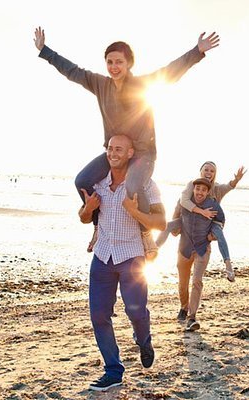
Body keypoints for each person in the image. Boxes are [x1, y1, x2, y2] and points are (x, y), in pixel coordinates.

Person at [34, 26, 219, 258]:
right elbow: (72, 71)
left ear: (128, 63)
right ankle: (97, 227)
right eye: (110, 62)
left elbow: (170, 72)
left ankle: (145, 233)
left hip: (142, 153)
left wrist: (197, 52)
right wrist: (45, 50)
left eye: (119, 62)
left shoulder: (142, 85)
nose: (114, 67)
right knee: (83, 180)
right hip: (115, 153)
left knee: (132, 186)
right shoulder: (99, 84)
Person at [78, 134, 166, 392]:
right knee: (99, 316)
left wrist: (135, 211)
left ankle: (143, 338)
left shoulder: (146, 185)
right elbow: (84, 218)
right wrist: (88, 208)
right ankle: (113, 371)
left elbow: (161, 222)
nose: (112, 153)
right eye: (109, 148)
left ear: (130, 154)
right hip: (103, 257)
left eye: (119, 149)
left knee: (136, 312)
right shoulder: (97, 184)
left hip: (132, 258)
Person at [156, 162, 245, 281]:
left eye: (212, 171)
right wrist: (201, 212)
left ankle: (228, 265)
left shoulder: (217, 189)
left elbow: (229, 186)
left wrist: (236, 180)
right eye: (206, 170)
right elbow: (183, 201)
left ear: (215, 174)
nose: (209, 173)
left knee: (219, 233)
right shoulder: (192, 185)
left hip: (209, 223)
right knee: (167, 226)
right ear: (201, 171)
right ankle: (154, 248)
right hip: (189, 220)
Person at [175, 177, 225, 332]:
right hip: (184, 248)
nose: (200, 192)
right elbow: (176, 217)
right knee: (183, 283)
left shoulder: (213, 205)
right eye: (197, 189)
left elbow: (221, 222)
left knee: (196, 280)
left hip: (202, 249)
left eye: (203, 190)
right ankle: (184, 306)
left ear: (208, 192)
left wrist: (212, 236)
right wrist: (174, 229)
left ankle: (192, 317)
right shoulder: (184, 202)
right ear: (193, 189)